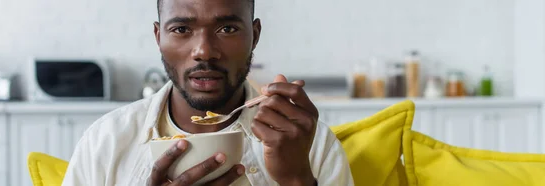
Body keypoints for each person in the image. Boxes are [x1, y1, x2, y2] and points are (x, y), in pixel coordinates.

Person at [61, 0, 354, 185]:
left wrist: (295, 180)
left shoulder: (308, 145)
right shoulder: (105, 141)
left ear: (255, 36)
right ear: (158, 36)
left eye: (227, 29)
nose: (204, 51)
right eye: (180, 29)